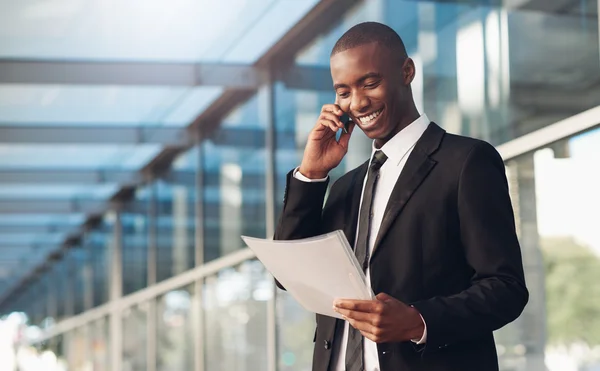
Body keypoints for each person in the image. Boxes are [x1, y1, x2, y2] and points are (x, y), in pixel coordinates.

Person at [274, 21, 528, 371]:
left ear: (406, 72)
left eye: (370, 83)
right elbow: (290, 275)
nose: (358, 103)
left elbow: (506, 287)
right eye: (343, 92)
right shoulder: (345, 186)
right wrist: (312, 173)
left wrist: (417, 320)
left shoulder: (465, 162)